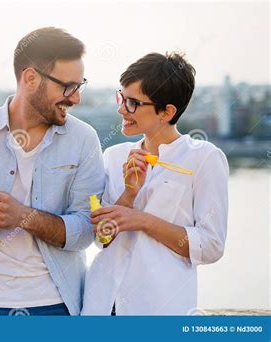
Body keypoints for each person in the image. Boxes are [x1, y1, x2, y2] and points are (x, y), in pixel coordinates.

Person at [0, 27, 105, 316]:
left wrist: (22, 216)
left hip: (58, 308)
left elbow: (87, 229)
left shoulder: (84, 139)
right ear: (30, 78)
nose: (76, 99)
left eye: (80, 85)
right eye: (68, 87)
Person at [82, 52, 229, 315]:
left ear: (166, 112)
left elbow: (211, 246)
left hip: (159, 309)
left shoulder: (204, 158)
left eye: (132, 103)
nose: (121, 109)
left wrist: (143, 220)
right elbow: (100, 238)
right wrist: (128, 195)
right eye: (121, 98)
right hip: (100, 305)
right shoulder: (114, 156)